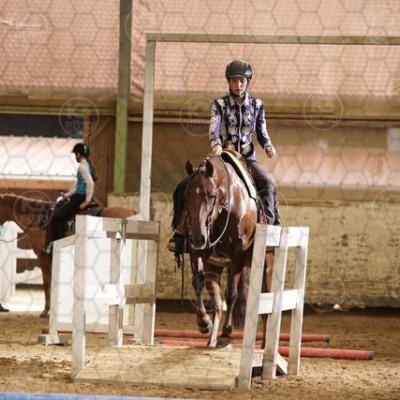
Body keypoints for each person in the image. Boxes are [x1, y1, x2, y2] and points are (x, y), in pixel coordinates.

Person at [209, 59, 280, 225]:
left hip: (247, 159)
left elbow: (262, 131)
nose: (238, 85)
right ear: (229, 82)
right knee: (199, 182)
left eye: (242, 81)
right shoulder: (219, 104)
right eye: (234, 81)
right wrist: (216, 143)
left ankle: (269, 228)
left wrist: (268, 145)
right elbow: (214, 126)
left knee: (267, 184)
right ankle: (182, 230)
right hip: (225, 157)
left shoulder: (257, 105)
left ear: (248, 81)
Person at [43, 142, 96, 253]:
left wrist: (87, 201)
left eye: (75, 154)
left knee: (56, 217)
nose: (75, 156)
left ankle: (57, 247)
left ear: (78, 154)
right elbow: (79, 187)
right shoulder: (87, 165)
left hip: (80, 198)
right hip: (79, 195)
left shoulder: (82, 167)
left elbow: (90, 183)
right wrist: (65, 195)